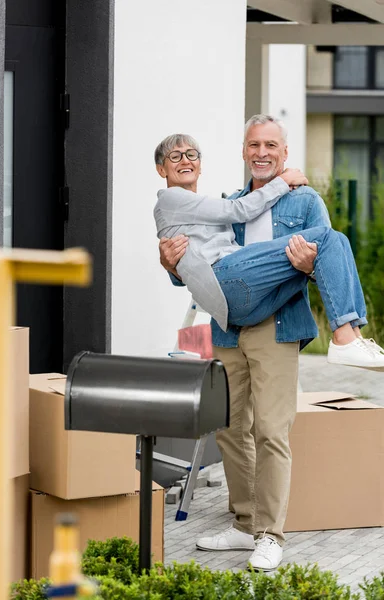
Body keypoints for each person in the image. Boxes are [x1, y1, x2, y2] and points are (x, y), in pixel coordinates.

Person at [155, 115, 378, 571]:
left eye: (270, 145)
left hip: (276, 326)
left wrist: (311, 262)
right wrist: (171, 265)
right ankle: (243, 524)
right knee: (231, 430)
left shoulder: (305, 199)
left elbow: (329, 256)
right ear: (243, 151)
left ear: (284, 153)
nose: (261, 152)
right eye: (253, 144)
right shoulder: (232, 202)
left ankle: (270, 534)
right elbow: (200, 275)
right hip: (228, 327)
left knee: (271, 431)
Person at [154, 136, 383, 369]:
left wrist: (173, 266)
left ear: (200, 166)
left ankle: (354, 336)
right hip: (225, 282)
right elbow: (239, 210)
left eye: (191, 154)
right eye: (175, 156)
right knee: (326, 237)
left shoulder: (198, 207)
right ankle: (345, 338)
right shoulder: (171, 199)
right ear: (161, 169)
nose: (185, 160)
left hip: (244, 306)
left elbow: (189, 257)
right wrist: (283, 181)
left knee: (337, 240)